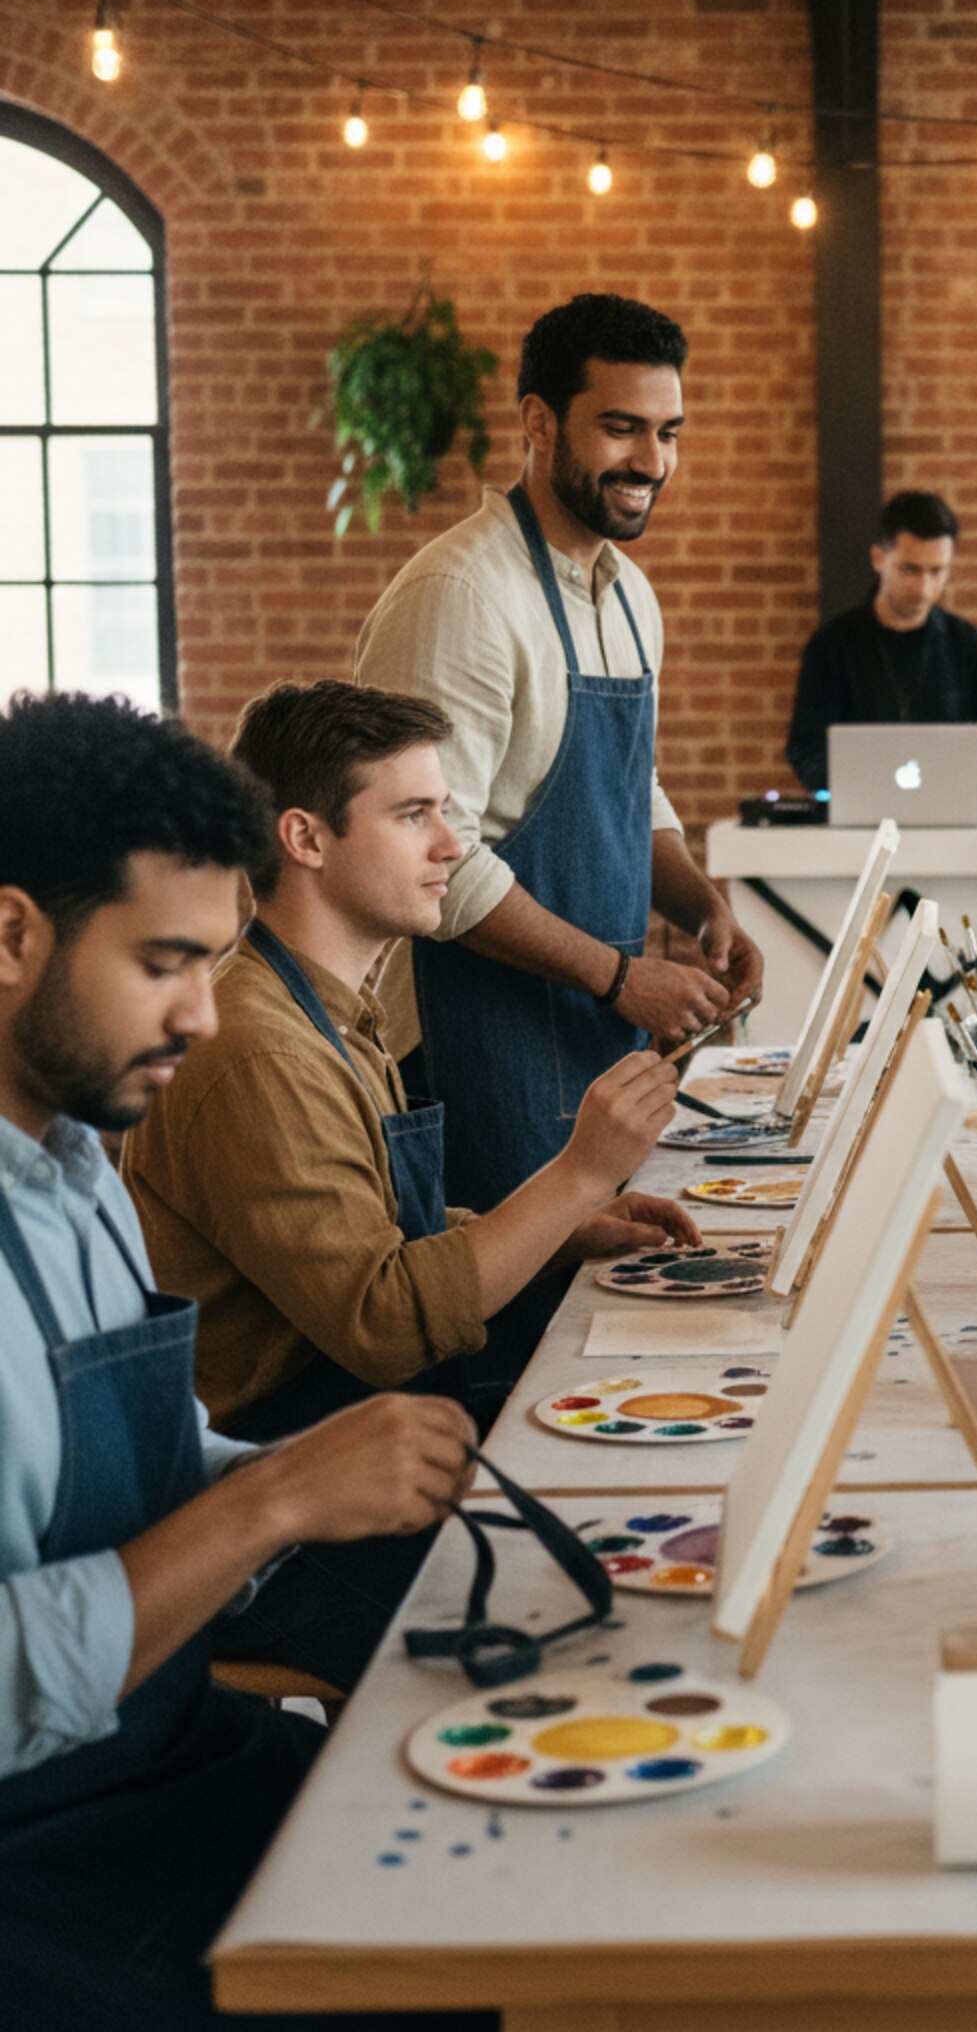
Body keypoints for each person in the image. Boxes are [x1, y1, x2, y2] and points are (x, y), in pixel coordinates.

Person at [0, 692, 482, 2032]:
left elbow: (140, 1461)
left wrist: (313, 1472)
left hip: (160, 1749)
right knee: (467, 1979)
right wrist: (277, 1503)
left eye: (215, 965)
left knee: (503, 1851)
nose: (206, 1020)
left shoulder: (74, 1160)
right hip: (40, 1857)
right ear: (9, 934)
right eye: (165, 963)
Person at [121, 680, 696, 1692]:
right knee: (601, 1645)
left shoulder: (337, 1005)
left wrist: (570, 1225)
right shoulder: (256, 1047)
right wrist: (576, 1172)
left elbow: (384, 1229)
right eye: (413, 813)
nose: (449, 846)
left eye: (446, 812)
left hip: (369, 1446)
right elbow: (384, 1317)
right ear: (304, 836)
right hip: (288, 1524)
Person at [355, 291, 764, 1211]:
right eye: (621, 429)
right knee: (504, 1328)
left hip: (589, 1031)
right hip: (473, 1038)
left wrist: (702, 911)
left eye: (669, 432)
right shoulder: (461, 593)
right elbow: (424, 854)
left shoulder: (629, 596)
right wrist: (622, 978)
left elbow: (631, 794)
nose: (651, 462)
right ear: (538, 422)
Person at [785, 490, 977, 796]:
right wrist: (845, 787)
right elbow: (805, 746)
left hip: (953, 819)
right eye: (910, 569)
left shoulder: (968, 645)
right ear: (878, 558)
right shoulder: (832, 646)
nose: (924, 589)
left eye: (936, 571)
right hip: (859, 824)